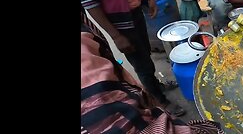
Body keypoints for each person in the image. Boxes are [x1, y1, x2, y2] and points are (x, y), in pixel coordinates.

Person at [81, 12, 224, 133]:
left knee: (146, 63)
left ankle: (156, 91)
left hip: (130, 17)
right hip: (119, 27)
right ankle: (161, 99)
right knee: (143, 67)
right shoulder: (92, 85)